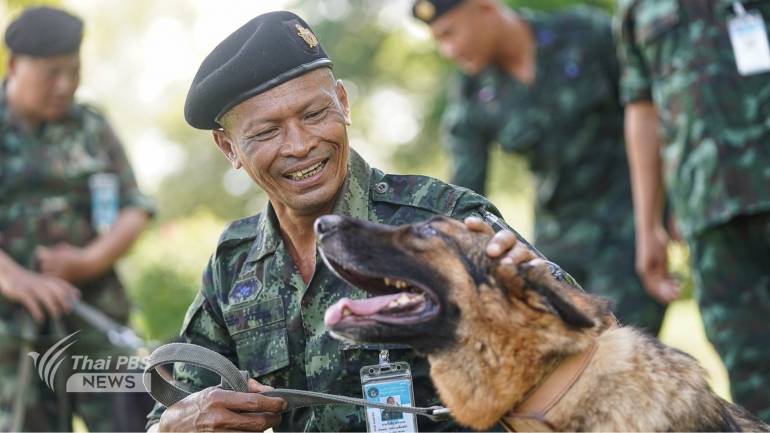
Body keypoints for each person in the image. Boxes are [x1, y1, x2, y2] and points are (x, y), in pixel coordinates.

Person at [145, 11, 566, 432]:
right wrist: (172, 427)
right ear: (229, 148)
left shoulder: (441, 219)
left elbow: (590, 352)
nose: (301, 144)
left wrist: (534, 296)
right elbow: (174, 409)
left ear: (343, 104)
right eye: (268, 132)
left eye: (313, 114)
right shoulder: (233, 267)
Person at [411, 0, 665, 334]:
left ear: (484, 7)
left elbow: (652, 109)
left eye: (450, 33)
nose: (448, 49)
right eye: (439, 40)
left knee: (624, 349)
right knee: (564, 357)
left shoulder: (584, 33)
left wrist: (666, 212)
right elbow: (465, 191)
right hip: (557, 242)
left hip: (628, 228)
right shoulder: (473, 93)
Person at [0, 6, 154, 431]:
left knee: (138, 425)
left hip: (97, 321)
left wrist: (88, 260)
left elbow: (135, 206)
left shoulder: (91, 126)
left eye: (73, 71)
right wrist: (14, 276)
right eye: (52, 73)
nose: (65, 85)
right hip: (12, 338)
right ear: (15, 65)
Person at [616, 0, 770, 421]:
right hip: (710, 216)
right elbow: (643, 110)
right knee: (751, 371)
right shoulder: (637, 9)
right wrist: (648, 225)